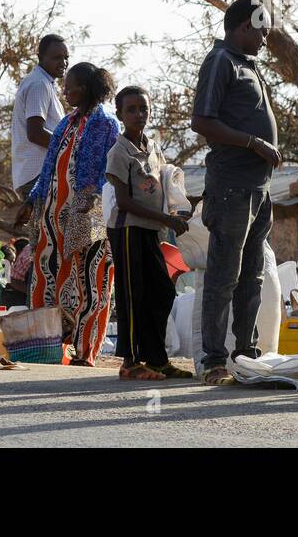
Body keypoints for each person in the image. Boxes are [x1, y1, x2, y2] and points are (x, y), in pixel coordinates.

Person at [190, 0, 281, 386]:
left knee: (253, 275)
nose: (264, 37)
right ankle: (214, 359)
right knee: (224, 274)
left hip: (259, 188)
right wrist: (253, 143)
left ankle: (246, 354)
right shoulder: (221, 62)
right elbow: (202, 121)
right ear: (242, 26)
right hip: (231, 187)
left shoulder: (249, 66)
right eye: (260, 29)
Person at [16, 62, 120, 365]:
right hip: (52, 217)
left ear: (84, 89)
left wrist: (91, 201)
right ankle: (46, 346)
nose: (65, 90)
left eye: (70, 86)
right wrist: (32, 200)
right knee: (47, 279)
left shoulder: (106, 123)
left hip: (87, 214)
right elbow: (49, 167)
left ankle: (86, 350)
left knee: (90, 280)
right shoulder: (66, 123)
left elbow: (108, 172)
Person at [106, 85, 192, 380]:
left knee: (163, 291)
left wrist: (181, 206)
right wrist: (166, 220)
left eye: (143, 108)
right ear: (120, 114)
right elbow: (125, 201)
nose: (138, 114)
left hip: (151, 229)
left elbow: (162, 183)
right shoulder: (119, 152)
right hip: (128, 229)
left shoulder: (152, 146)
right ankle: (130, 361)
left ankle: (156, 357)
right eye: (131, 110)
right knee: (133, 294)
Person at [11, 34, 70, 208]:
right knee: (44, 232)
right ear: (41, 58)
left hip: (36, 174)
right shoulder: (39, 84)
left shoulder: (44, 82)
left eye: (66, 57)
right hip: (38, 175)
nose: (63, 62)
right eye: (57, 57)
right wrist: (71, 148)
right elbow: (36, 133)